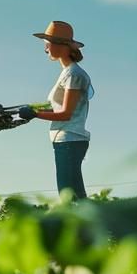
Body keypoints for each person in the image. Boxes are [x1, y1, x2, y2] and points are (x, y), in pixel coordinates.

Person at [18, 20, 93, 200]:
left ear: (62, 46)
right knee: (76, 195)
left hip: (69, 138)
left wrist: (35, 114)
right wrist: (33, 108)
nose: (45, 48)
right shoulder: (68, 72)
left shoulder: (73, 74)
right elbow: (54, 104)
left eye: (47, 43)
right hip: (68, 139)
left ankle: (86, 227)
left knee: (68, 194)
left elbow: (66, 113)